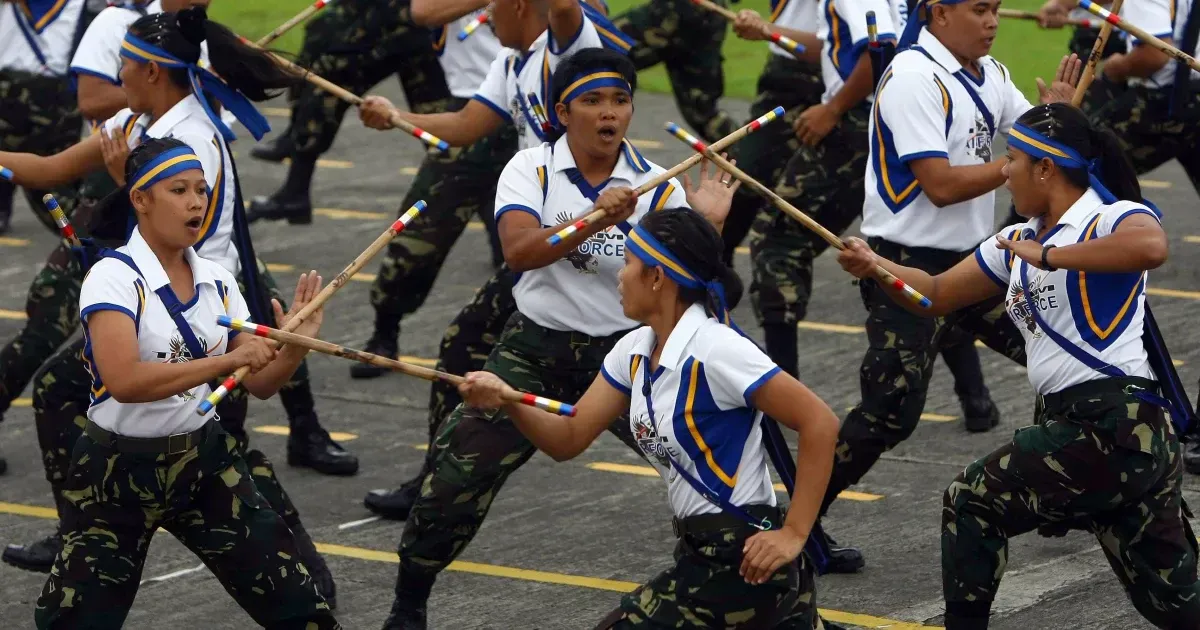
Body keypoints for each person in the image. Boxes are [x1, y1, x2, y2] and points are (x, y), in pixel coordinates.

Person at [376, 48, 736, 629]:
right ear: (563, 111)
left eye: (619, 100)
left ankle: (786, 561)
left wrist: (708, 225)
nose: (608, 113)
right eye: (592, 101)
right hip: (534, 349)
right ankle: (408, 603)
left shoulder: (655, 183)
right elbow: (519, 251)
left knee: (708, 465)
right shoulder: (530, 169)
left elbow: (691, 282)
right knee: (456, 474)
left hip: (629, 355)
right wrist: (595, 218)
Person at [0, 7, 339, 606]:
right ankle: (83, 531)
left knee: (219, 446)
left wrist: (122, 185)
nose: (117, 76)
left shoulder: (184, 142)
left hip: (201, 307)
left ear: (152, 73)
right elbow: (51, 169)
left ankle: (304, 579)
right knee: (68, 392)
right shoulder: (145, 118)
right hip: (158, 303)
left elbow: (167, 236)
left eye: (124, 65)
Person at [837, 102, 1200, 630]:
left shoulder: (1108, 215)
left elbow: (1150, 246)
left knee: (971, 501)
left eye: (1013, 159)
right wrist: (876, 265)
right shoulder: (1017, 241)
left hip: (1111, 423)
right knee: (1179, 608)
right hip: (1106, 437)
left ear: (1046, 167)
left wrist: (1048, 256)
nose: (1003, 172)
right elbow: (936, 294)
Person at [457, 207, 840, 628]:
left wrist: (794, 534)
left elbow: (819, 421)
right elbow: (568, 438)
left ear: (657, 277)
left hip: (740, 558)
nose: (619, 277)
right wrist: (510, 399)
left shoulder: (715, 349)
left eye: (627, 264)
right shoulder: (633, 351)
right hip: (703, 550)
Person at [812, 0, 1082, 568]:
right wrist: (1022, 162)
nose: (993, 21)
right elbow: (939, 184)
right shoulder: (914, 77)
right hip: (904, 265)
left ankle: (1061, 491)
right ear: (938, 13)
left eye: (997, 10)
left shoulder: (993, 75)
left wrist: (1056, 118)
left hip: (972, 263)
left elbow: (1038, 142)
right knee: (890, 412)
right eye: (980, 9)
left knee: (1058, 353)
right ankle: (798, 523)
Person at [34, 137, 340, 630]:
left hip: (204, 462)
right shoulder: (113, 278)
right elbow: (125, 381)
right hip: (118, 471)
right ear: (140, 199)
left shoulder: (218, 280)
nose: (197, 201)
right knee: (74, 621)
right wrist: (224, 363)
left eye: (201, 190)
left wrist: (297, 346)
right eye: (179, 189)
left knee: (298, 606)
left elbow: (260, 384)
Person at [353, 0, 638, 520]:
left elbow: (564, 8)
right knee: (462, 345)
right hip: (540, 240)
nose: (483, 21)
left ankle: (773, 518)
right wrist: (397, 117)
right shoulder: (511, 62)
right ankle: (433, 480)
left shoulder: (567, 47)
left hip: (592, 239)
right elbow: (465, 123)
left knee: (649, 412)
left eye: (490, 11)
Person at [349, 0, 512, 385]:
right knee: (421, 231)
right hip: (473, 107)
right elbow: (423, 12)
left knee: (539, 237)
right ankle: (385, 332)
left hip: (533, 113)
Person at [244, 0, 457, 227]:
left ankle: (295, 185)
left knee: (328, 75)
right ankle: (294, 182)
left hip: (410, 20)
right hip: (405, 18)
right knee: (323, 36)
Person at [0, 0, 86, 237]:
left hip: (55, 106)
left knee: (53, 180)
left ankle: (79, 233)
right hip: (6, 94)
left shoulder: (82, 6)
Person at [611, 0, 739, 143]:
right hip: (710, 12)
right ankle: (748, 157)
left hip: (679, 10)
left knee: (590, 57)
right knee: (702, 111)